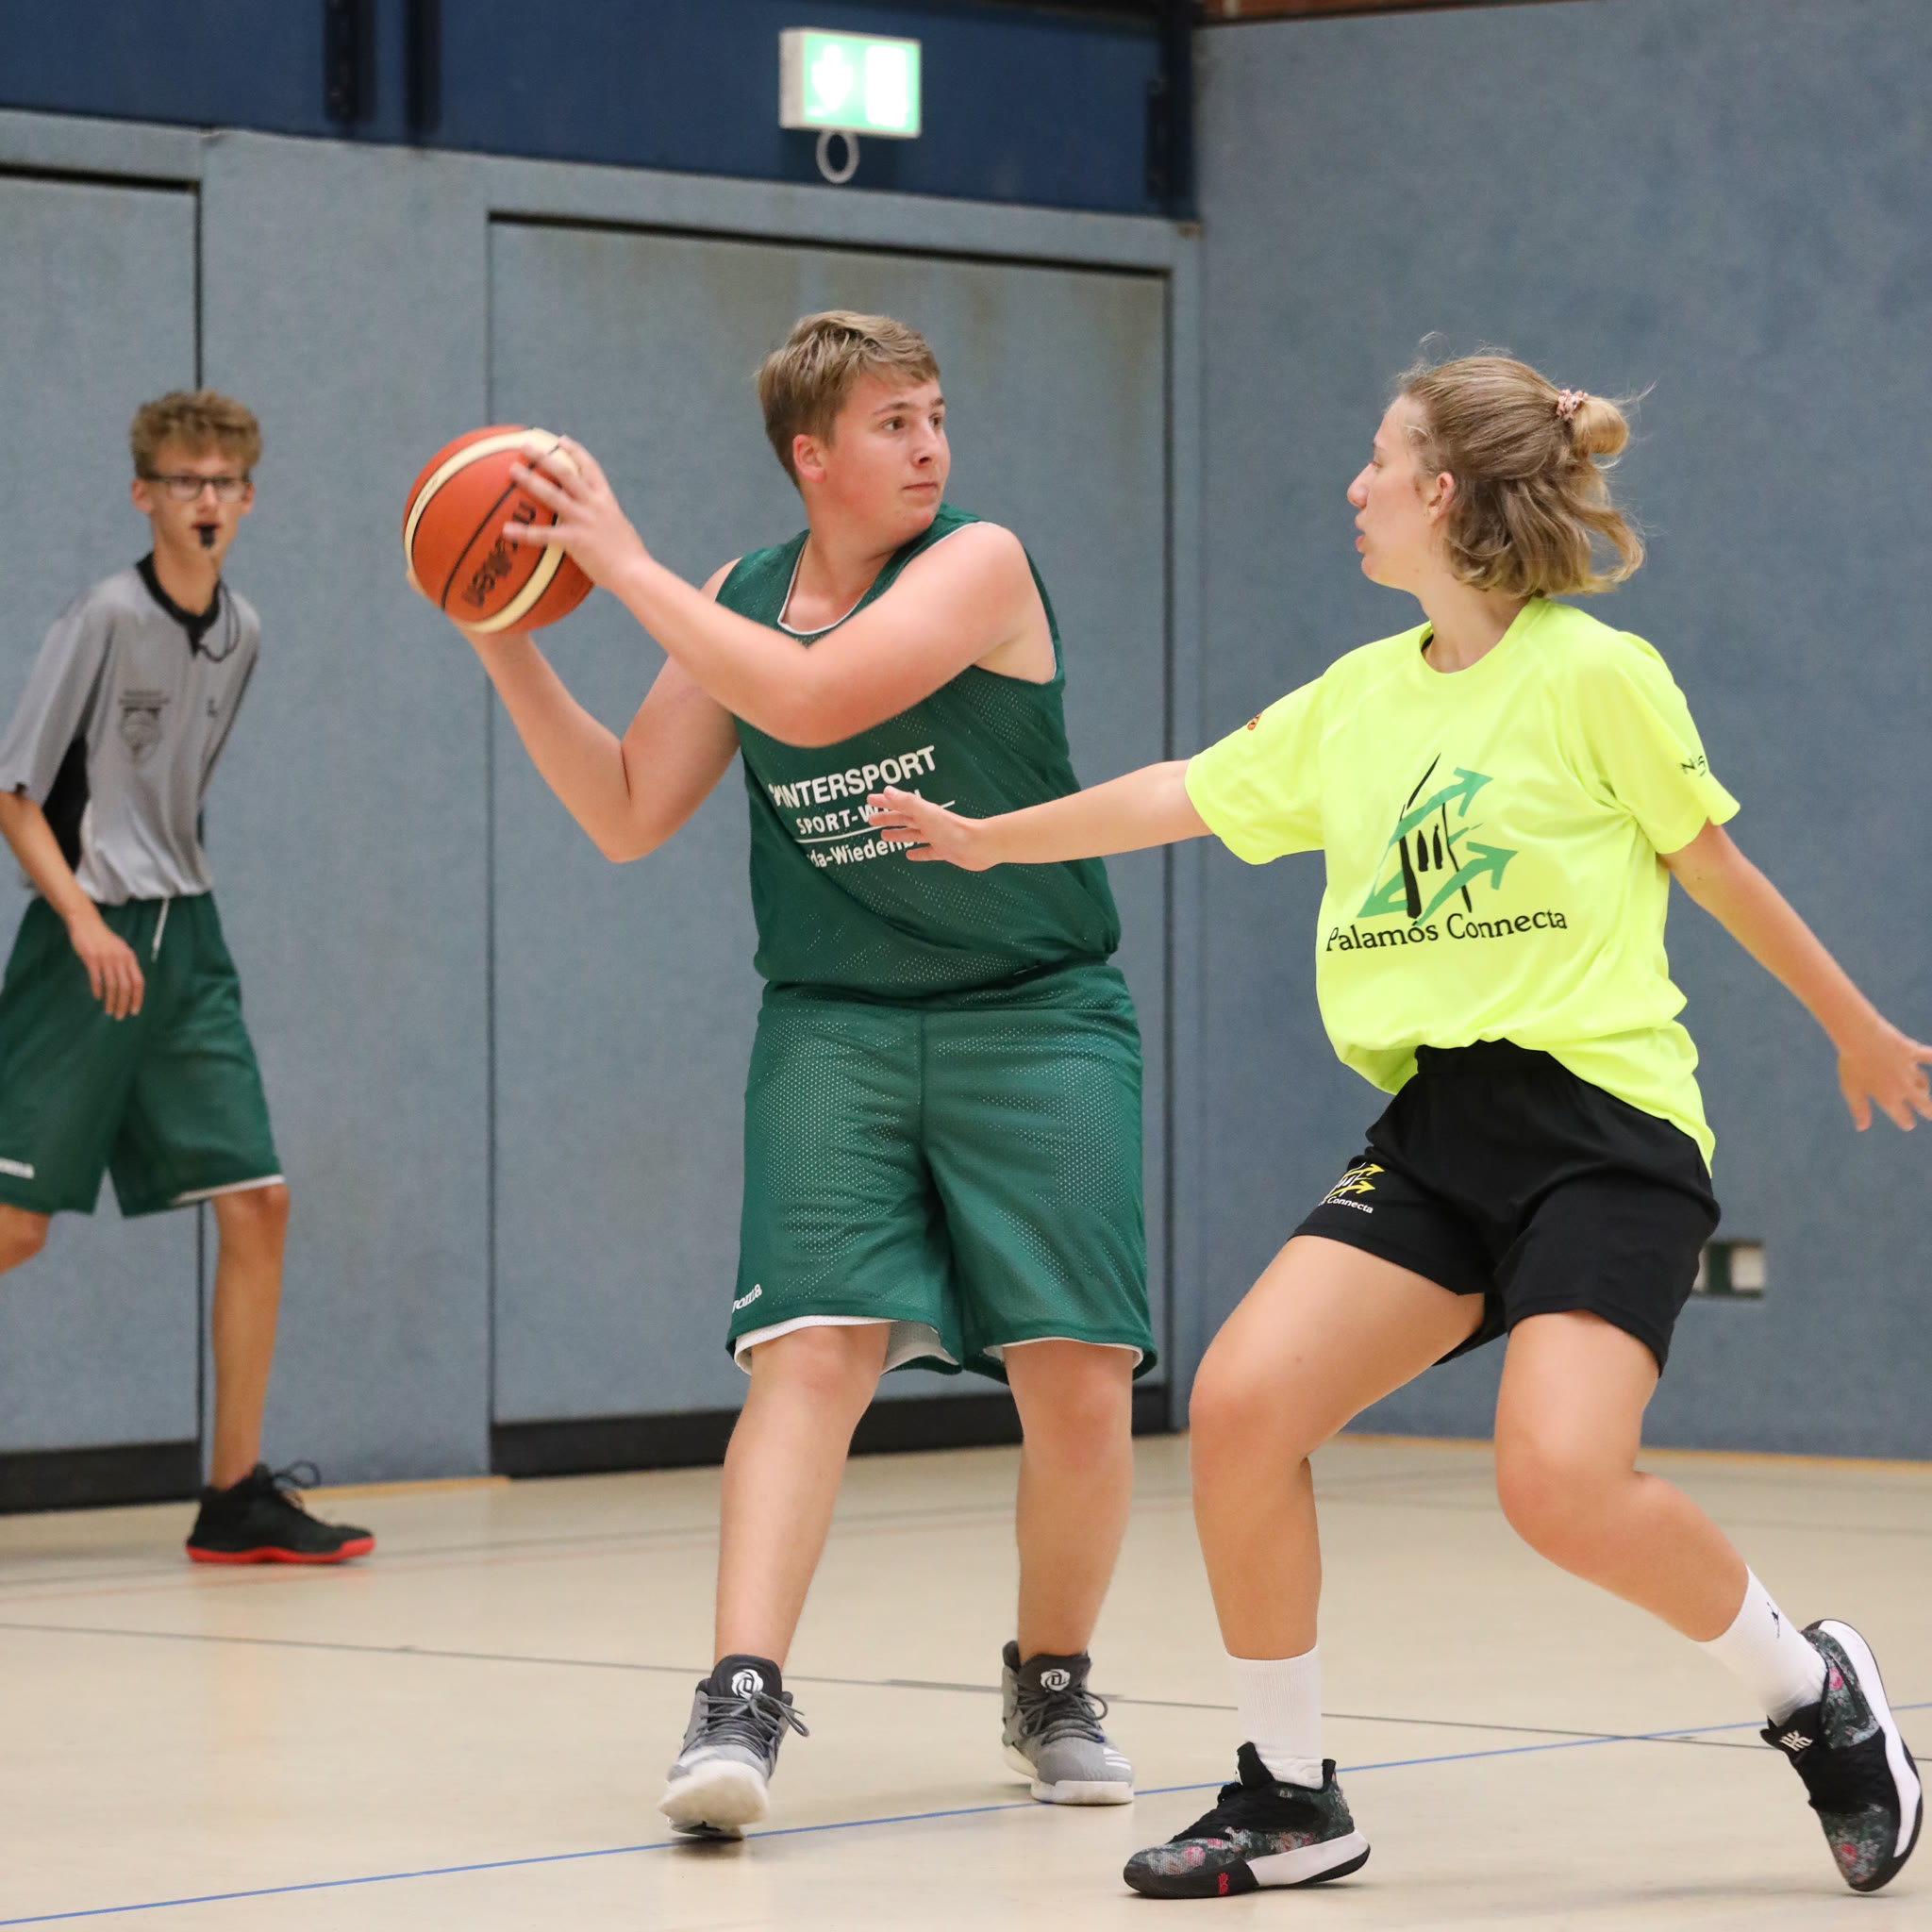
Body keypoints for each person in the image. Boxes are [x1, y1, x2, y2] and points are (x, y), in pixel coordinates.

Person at [867, 354, 1926, 1899]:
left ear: (1441, 492)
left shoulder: (1594, 674)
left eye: (1378, 460)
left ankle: (1810, 1691)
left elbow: (1713, 867)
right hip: (1440, 1129)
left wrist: (1853, 1025)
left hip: (1606, 1132)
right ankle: (1290, 1795)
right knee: (1241, 1406)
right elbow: (1181, 793)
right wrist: (985, 843)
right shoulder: (1359, 698)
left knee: (1556, 1481)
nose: (1353, 487)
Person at [463, 311, 1156, 1836]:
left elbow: (812, 699)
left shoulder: (980, 564)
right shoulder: (738, 599)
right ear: (812, 454)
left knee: (1075, 1374)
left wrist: (620, 564)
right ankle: (738, 1692)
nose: (930, 445)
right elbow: (628, 808)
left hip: (1035, 1010)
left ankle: (1051, 1677)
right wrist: (503, 635)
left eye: (935, 415)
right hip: (836, 1020)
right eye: (894, 423)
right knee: (809, 1352)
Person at [0, 391, 372, 1566]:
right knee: (13, 1227)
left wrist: (160, 920)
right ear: (143, 495)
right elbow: (17, 794)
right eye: (182, 481)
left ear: (247, 500)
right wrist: (83, 919)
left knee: (258, 1201)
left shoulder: (243, 630)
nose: (204, 500)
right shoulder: (102, 617)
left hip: (188, 940)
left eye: (223, 483)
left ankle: (233, 1495)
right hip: (86, 942)